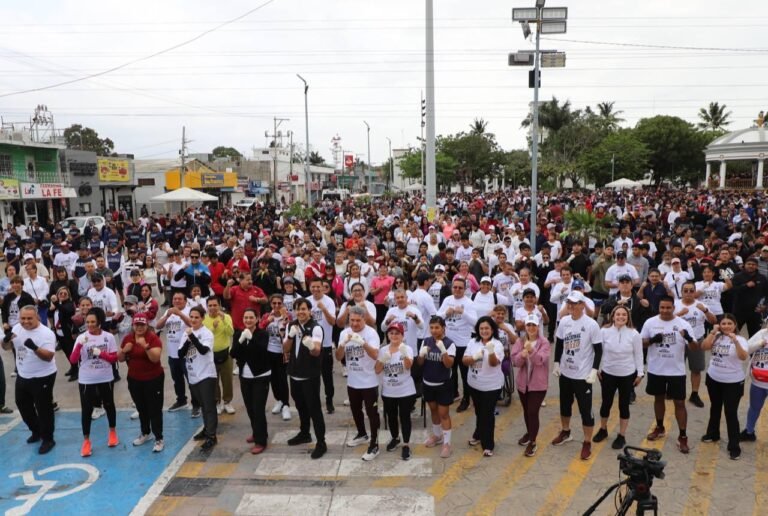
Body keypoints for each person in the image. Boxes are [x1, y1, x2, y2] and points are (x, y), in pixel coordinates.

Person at [641, 295, 697, 454]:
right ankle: (659, 427)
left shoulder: (683, 324)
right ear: (658, 308)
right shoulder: (650, 322)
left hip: (676, 371)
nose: (665, 311)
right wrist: (652, 340)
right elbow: (641, 343)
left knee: (679, 403)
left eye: (668, 307)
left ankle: (683, 436)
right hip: (656, 369)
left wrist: (688, 338)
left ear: (673, 308)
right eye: (662, 307)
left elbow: (694, 348)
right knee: (658, 399)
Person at [552, 291, 603, 461]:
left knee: (585, 409)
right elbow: (559, 344)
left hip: (583, 375)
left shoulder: (591, 324)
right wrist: (556, 363)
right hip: (566, 372)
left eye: (574, 303)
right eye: (569, 303)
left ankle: (587, 442)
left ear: (582, 305)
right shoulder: (564, 321)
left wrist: (594, 370)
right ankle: (566, 431)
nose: (571, 306)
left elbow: (598, 350)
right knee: (565, 404)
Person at [3, 305, 58, 454]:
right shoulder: (16, 328)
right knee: (23, 405)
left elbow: (49, 357)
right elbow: (6, 347)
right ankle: (36, 431)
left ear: (37, 317)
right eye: (23, 318)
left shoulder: (46, 333)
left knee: (43, 408)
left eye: (29, 318)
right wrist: (6, 340)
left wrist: (35, 348)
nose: (26, 321)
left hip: (43, 376)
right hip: (23, 374)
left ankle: (48, 439)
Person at [69, 307, 119, 457]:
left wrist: (101, 354)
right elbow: (73, 360)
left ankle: (112, 432)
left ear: (100, 322)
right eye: (88, 322)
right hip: (86, 379)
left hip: (105, 377)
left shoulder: (108, 337)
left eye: (93, 322)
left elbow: (114, 359)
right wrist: (79, 345)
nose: (89, 325)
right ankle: (86, 441)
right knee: (86, 409)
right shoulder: (81, 337)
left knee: (109, 405)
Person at [593, 305, 644, 450]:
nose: (621, 317)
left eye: (624, 315)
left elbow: (639, 354)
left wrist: (640, 373)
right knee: (606, 403)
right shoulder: (604, 331)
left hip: (627, 375)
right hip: (608, 373)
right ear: (613, 316)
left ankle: (621, 435)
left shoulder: (634, 334)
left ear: (628, 317)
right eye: (618, 314)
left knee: (624, 405)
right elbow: (598, 351)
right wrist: (596, 368)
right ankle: (603, 429)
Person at [699, 314, 748, 460]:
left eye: (729, 323)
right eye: (723, 323)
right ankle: (713, 433)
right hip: (714, 378)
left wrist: (735, 341)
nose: (726, 326)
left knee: (730, 412)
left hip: (733, 382)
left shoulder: (740, 339)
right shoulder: (716, 336)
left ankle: (734, 446)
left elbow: (743, 357)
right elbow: (704, 347)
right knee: (715, 407)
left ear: (735, 325)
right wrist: (713, 333)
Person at [283, 298, 326, 459]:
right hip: (294, 373)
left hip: (309, 375)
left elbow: (316, 351)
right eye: (297, 309)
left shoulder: (316, 327)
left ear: (309, 311)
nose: (300, 312)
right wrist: (290, 336)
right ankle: (304, 433)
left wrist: (310, 345)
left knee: (314, 409)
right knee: (300, 406)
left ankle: (321, 442)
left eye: (303, 309)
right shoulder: (291, 325)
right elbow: (285, 349)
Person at [337, 306, 381, 460]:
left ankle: (374, 444)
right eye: (352, 320)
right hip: (353, 380)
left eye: (358, 320)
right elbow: (338, 357)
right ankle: (362, 434)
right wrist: (342, 344)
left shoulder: (371, 333)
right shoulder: (344, 333)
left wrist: (362, 343)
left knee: (372, 413)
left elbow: (375, 354)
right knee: (355, 410)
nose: (354, 324)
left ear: (364, 319)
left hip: (369, 381)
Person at [118, 313, 165, 453]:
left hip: (153, 379)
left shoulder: (153, 338)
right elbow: (120, 358)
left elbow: (155, 358)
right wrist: (124, 350)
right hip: (134, 379)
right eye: (136, 325)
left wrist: (146, 347)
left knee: (154, 409)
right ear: (133, 325)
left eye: (142, 325)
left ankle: (159, 438)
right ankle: (145, 433)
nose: (139, 327)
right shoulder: (128, 338)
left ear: (147, 325)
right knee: (141, 408)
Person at [230, 308, 271, 454]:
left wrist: (251, 339)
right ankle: (257, 432)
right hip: (245, 376)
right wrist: (241, 340)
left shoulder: (263, 334)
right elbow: (233, 353)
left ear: (257, 319)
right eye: (245, 318)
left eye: (251, 317)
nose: (248, 320)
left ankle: (261, 441)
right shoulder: (238, 334)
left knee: (258, 408)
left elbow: (261, 352)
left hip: (261, 376)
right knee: (250, 408)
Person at [463, 316, 504, 457]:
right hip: (474, 384)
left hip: (491, 386)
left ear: (492, 330)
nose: (484, 331)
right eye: (481, 328)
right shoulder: (472, 342)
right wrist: (474, 357)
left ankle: (488, 444)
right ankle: (478, 433)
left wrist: (490, 351)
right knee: (479, 411)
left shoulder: (497, 344)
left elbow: (493, 363)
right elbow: (464, 360)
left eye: (487, 328)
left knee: (487, 414)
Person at [510, 314, 550, 457]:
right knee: (527, 411)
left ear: (538, 326)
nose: (531, 328)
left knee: (533, 412)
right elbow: (515, 362)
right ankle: (529, 432)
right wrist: (522, 355)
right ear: (525, 327)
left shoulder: (544, 342)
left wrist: (531, 351)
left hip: (538, 385)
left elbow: (540, 360)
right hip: (523, 383)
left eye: (534, 325)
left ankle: (533, 442)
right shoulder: (520, 341)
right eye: (529, 325)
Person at [179, 306, 218, 451]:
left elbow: (203, 350)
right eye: (191, 317)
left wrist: (192, 337)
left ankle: (212, 436)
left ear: (202, 318)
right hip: (193, 374)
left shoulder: (207, 333)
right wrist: (188, 339)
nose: (193, 319)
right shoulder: (186, 333)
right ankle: (207, 429)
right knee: (202, 405)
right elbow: (180, 353)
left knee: (209, 406)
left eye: (196, 317)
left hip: (206, 374)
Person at [376, 322, 416, 460]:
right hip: (388, 391)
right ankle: (395, 438)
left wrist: (403, 353)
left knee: (405, 417)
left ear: (402, 335)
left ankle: (406, 444)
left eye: (397, 333)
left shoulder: (407, 348)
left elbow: (408, 366)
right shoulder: (383, 350)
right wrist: (383, 359)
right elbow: (377, 370)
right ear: (388, 335)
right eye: (391, 333)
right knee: (391, 416)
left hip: (405, 390)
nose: (394, 336)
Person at [437, 277, 478, 412]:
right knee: (450, 371)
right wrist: (446, 313)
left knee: (464, 373)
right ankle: (454, 393)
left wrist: (463, 313)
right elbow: (437, 317)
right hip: (449, 342)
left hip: (463, 343)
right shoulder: (447, 300)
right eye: (455, 287)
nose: (457, 290)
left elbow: (475, 322)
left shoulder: (469, 303)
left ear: (465, 289)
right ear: (451, 287)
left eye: (460, 288)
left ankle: (466, 398)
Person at [418, 316, 455, 458]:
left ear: (443, 328)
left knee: (443, 414)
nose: (434, 330)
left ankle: (447, 443)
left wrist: (443, 350)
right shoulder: (426, 341)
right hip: (428, 383)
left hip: (443, 384)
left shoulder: (449, 343)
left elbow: (449, 364)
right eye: (432, 327)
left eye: (437, 327)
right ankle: (437, 435)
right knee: (433, 410)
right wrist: (421, 354)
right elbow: (420, 363)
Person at [675, 280, 716, 408]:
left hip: (697, 340)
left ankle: (694, 394)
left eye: (691, 291)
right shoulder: (675, 304)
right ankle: (675, 391)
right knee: (676, 368)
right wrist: (679, 314)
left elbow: (714, 321)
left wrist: (706, 311)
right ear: (681, 292)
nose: (688, 293)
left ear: (695, 292)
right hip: (678, 342)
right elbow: (665, 320)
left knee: (696, 369)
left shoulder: (701, 305)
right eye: (685, 290)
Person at [156, 292, 196, 414]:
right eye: (175, 299)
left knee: (191, 380)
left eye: (180, 299)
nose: (177, 301)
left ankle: (196, 404)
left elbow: (193, 324)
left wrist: (180, 314)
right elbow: (158, 326)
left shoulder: (189, 311)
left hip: (187, 353)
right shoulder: (168, 312)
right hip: (172, 354)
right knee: (177, 380)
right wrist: (167, 316)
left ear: (185, 301)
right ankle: (181, 400)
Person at [305, 277, 337, 414]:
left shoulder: (329, 301)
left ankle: (329, 400)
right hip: (310, 345)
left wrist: (324, 309)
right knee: (312, 375)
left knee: (327, 375)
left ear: (323, 287)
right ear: (310, 288)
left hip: (326, 344)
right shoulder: (307, 301)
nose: (316, 289)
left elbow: (333, 322)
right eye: (313, 287)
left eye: (318, 287)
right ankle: (314, 401)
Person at [259, 294, 292, 421]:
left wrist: (285, 320)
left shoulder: (287, 316)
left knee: (282, 378)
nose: (277, 305)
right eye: (274, 303)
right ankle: (278, 400)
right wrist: (267, 321)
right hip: (269, 351)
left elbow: (290, 331)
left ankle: (286, 405)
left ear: (282, 304)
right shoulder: (267, 316)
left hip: (282, 352)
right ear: (270, 304)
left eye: (279, 303)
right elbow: (259, 329)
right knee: (272, 378)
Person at [204, 296, 235, 415]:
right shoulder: (204, 319)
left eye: (215, 305)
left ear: (220, 305)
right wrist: (213, 327)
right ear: (207, 307)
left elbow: (231, 333)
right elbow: (203, 336)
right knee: (213, 381)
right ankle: (217, 402)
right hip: (210, 356)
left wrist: (224, 320)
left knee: (227, 380)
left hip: (226, 353)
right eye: (210, 305)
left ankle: (227, 402)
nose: (212, 308)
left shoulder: (226, 317)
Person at [50, 285, 78, 380]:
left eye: (65, 293)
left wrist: (56, 303)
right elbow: (49, 314)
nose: (62, 295)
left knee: (71, 352)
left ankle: (76, 370)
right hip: (59, 333)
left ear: (68, 295)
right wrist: (52, 307)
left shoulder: (69, 304)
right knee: (66, 352)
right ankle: (72, 367)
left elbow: (66, 310)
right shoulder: (57, 305)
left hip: (68, 333)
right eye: (60, 293)